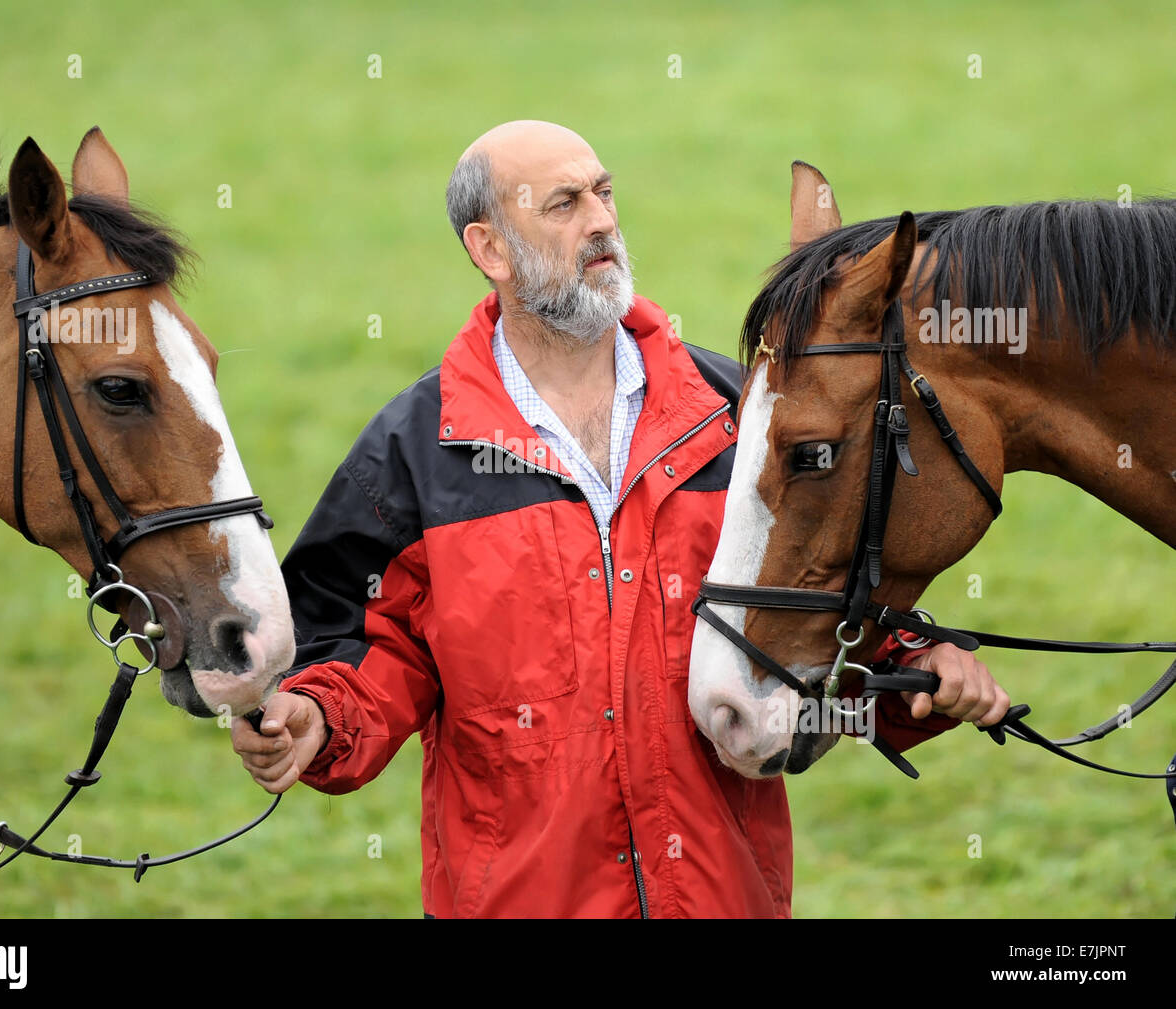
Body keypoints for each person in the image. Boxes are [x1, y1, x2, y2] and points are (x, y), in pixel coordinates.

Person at [231, 120, 1011, 917]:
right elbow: (366, 642)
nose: (601, 220)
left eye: (603, 193)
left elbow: (812, 592)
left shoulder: (736, 414)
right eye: (564, 204)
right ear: (491, 249)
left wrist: (916, 669)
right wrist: (320, 713)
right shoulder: (417, 450)